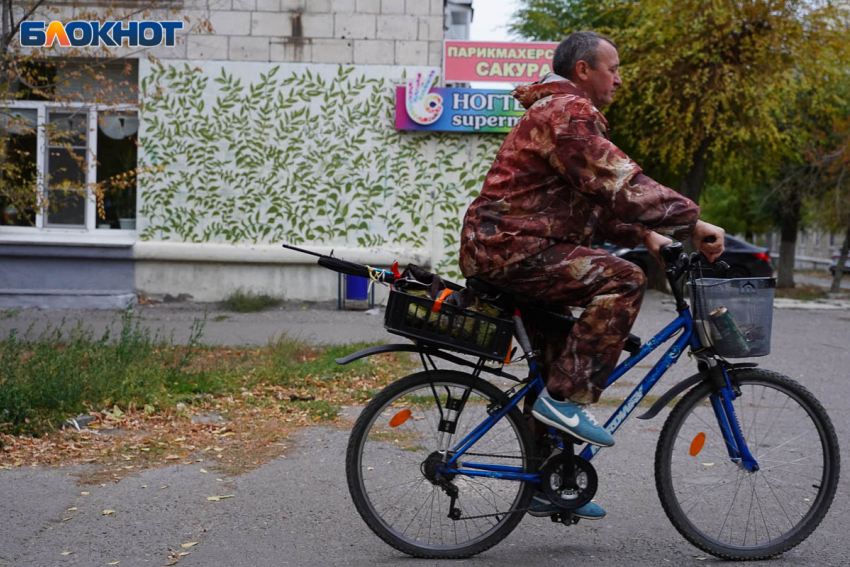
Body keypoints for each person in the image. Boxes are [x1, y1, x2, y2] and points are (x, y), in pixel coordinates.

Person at [458, 31, 725, 519]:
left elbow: (592, 204)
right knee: (623, 280)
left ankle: (544, 480)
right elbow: (620, 183)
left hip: (510, 247)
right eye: (613, 68)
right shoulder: (567, 113)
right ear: (584, 70)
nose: (619, 80)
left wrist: (649, 237)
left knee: (558, 356)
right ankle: (564, 401)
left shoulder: (557, 112)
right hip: (514, 250)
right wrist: (690, 221)